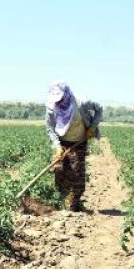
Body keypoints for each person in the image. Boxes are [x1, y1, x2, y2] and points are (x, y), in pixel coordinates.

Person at [45, 81, 103, 212]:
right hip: (62, 141)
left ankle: (74, 203)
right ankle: (60, 201)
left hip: (79, 140)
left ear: (66, 94)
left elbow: (99, 109)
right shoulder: (51, 107)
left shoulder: (81, 102)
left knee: (76, 172)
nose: (58, 102)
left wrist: (92, 129)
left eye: (60, 99)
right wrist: (57, 146)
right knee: (59, 170)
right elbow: (50, 128)